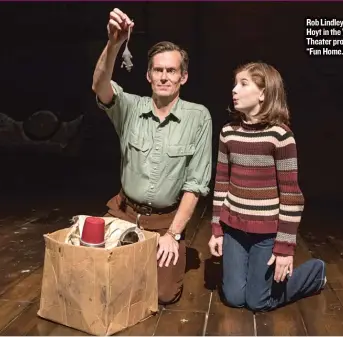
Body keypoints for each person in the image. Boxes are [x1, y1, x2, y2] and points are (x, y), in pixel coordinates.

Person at [92, 8, 212, 305]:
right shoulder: (130, 108)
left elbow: (196, 185)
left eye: (171, 71)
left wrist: (173, 234)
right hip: (124, 213)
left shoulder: (199, 118)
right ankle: (129, 258)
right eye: (158, 70)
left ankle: (151, 256)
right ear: (148, 75)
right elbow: (100, 85)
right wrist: (114, 43)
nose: (164, 77)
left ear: (183, 77)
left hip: (164, 221)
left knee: (163, 294)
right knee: (93, 274)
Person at [208, 61, 326, 312]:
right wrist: (217, 229)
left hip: (266, 234)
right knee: (233, 298)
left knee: (257, 301)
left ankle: (316, 272)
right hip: (234, 229)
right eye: (234, 84)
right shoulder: (228, 132)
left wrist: (285, 248)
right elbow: (220, 184)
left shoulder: (280, 136)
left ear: (263, 93)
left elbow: (292, 195)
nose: (234, 90)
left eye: (243, 83)